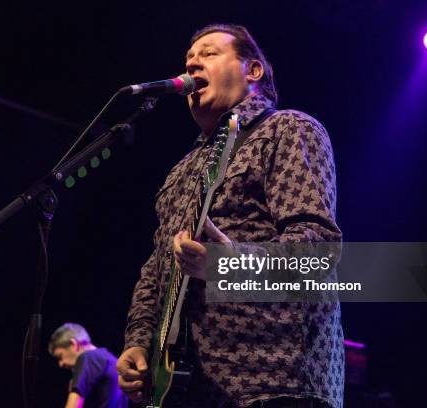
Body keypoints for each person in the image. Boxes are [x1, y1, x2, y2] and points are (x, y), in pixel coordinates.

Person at [116, 24, 344, 408]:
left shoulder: (287, 129)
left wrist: (226, 265)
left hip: (274, 382)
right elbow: (156, 271)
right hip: (188, 389)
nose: (192, 63)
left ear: (252, 71)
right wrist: (138, 343)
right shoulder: (181, 171)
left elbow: (317, 250)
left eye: (208, 53)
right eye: (188, 59)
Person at [49, 323, 128, 408]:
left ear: (73, 344)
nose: (61, 364)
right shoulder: (113, 360)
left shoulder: (87, 357)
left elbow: (74, 405)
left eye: (60, 357)